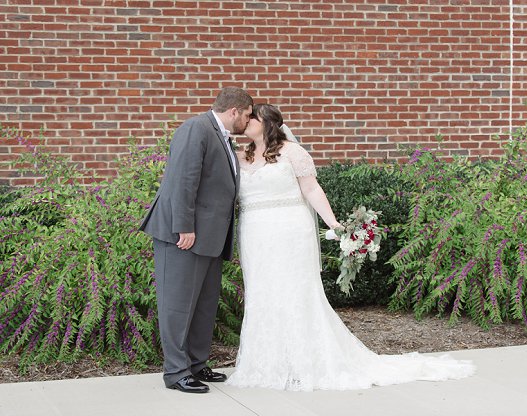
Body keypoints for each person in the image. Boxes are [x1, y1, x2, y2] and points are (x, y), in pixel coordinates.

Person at [226, 104, 475, 391]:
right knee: (262, 293)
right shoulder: (239, 155)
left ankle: (302, 363)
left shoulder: (292, 152)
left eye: (252, 118)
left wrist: (334, 224)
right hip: (255, 234)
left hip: (289, 231)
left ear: (266, 123)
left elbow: (311, 189)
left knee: (295, 292)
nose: (245, 122)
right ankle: (266, 362)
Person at [139, 86, 253, 393]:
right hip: (184, 235)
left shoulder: (220, 135)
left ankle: (196, 364)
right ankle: (176, 373)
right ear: (235, 112)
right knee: (177, 304)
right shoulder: (195, 128)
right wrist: (184, 227)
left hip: (210, 237)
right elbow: (182, 180)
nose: (248, 121)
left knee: (203, 303)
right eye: (247, 115)